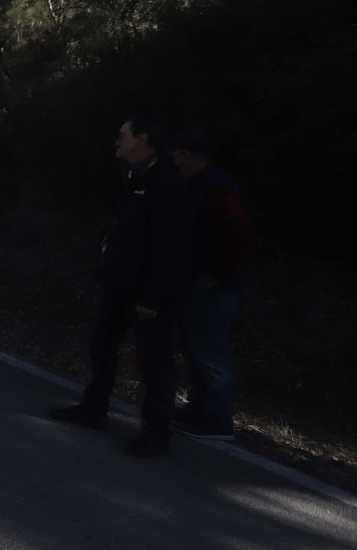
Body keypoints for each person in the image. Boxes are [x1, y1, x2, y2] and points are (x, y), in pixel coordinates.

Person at [51, 116, 187, 457]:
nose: (117, 141)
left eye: (122, 136)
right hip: (118, 286)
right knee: (101, 346)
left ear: (141, 139)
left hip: (147, 293)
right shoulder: (134, 178)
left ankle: (156, 433)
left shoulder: (165, 182)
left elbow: (168, 246)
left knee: (155, 364)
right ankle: (94, 409)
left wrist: (153, 295)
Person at [169, 130, 252, 441]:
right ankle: (198, 409)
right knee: (195, 350)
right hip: (193, 284)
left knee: (212, 354)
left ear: (189, 155)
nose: (174, 158)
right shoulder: (196, 186)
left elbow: (237, 235)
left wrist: (218, 273)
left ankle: (218, 421)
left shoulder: (218, 191)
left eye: (177, 153)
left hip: (212, 287)